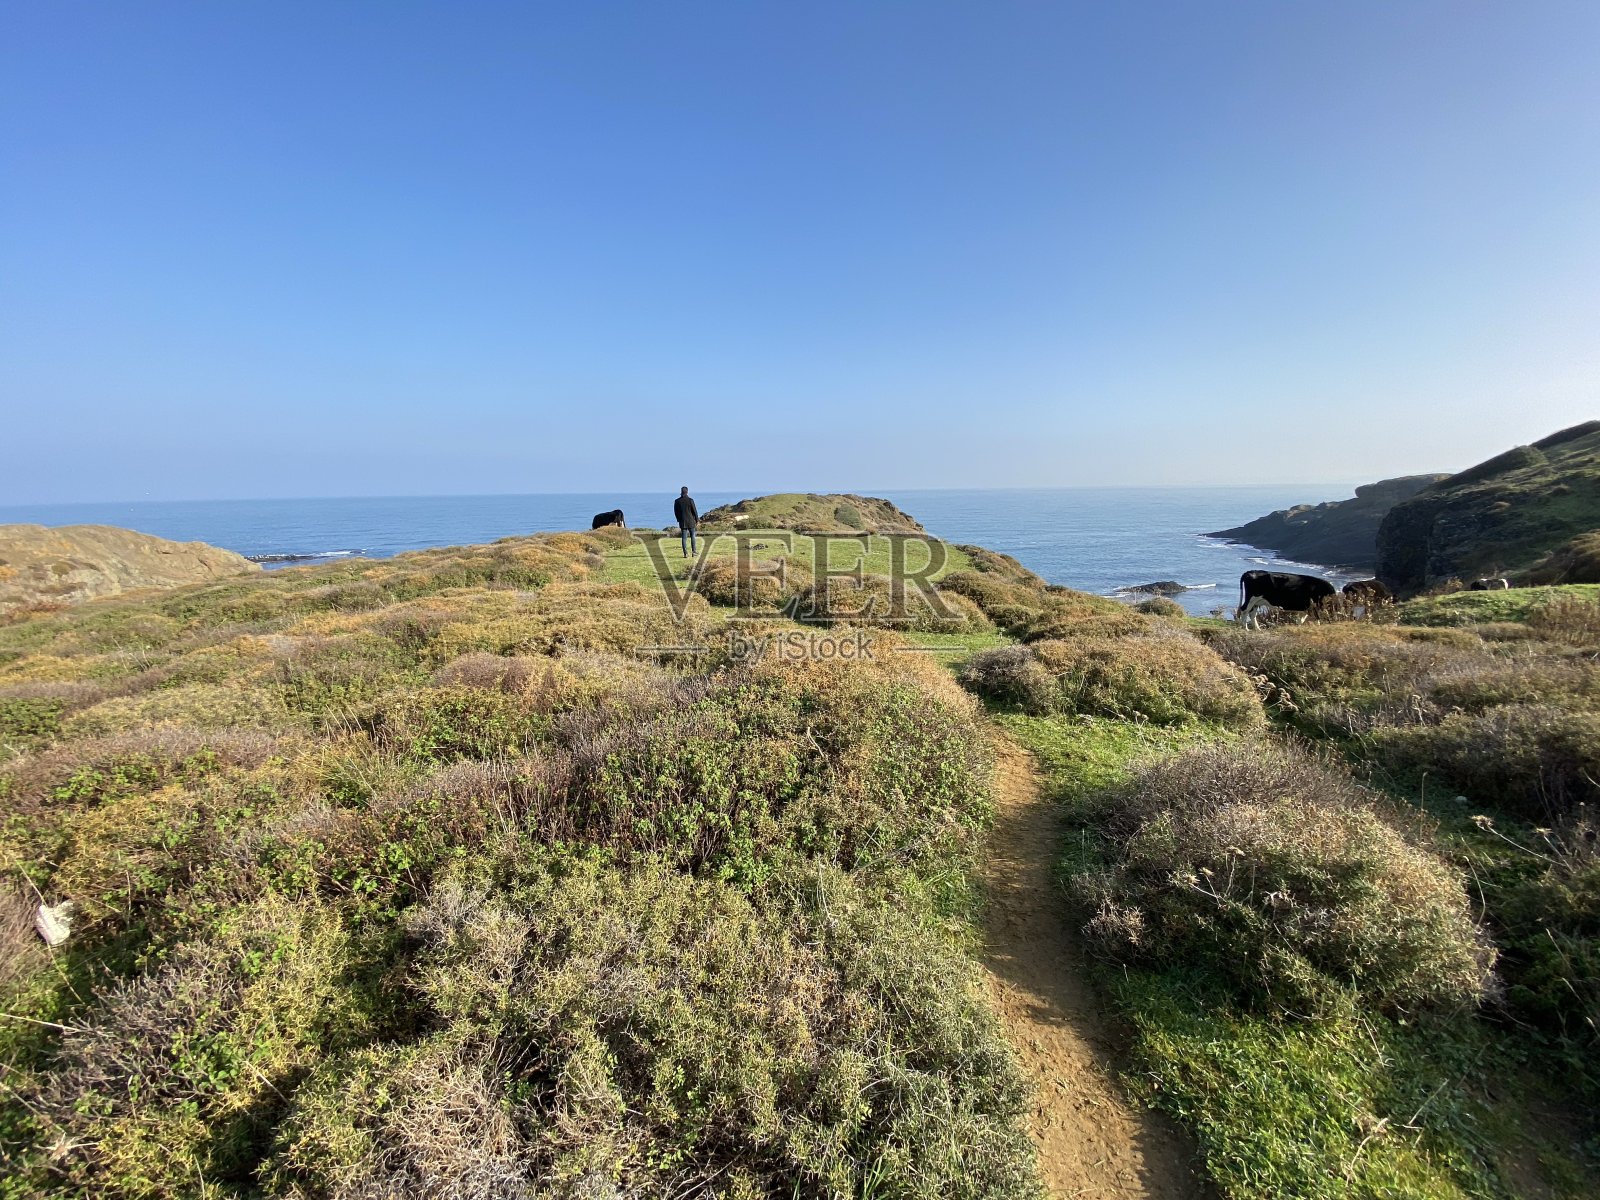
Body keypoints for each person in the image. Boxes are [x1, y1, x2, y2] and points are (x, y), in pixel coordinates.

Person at [673, 487, 699, 558]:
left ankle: (685, 554)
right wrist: (697, 520)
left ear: (681, 491)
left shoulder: (677, 501)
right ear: (687, 492)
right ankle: (694, 552)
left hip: (682, 522)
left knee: (684, 538)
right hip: (691, 521)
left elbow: (676, 512)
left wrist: (678, 520)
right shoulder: (690, 500)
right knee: (692, 536)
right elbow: (694, 511)